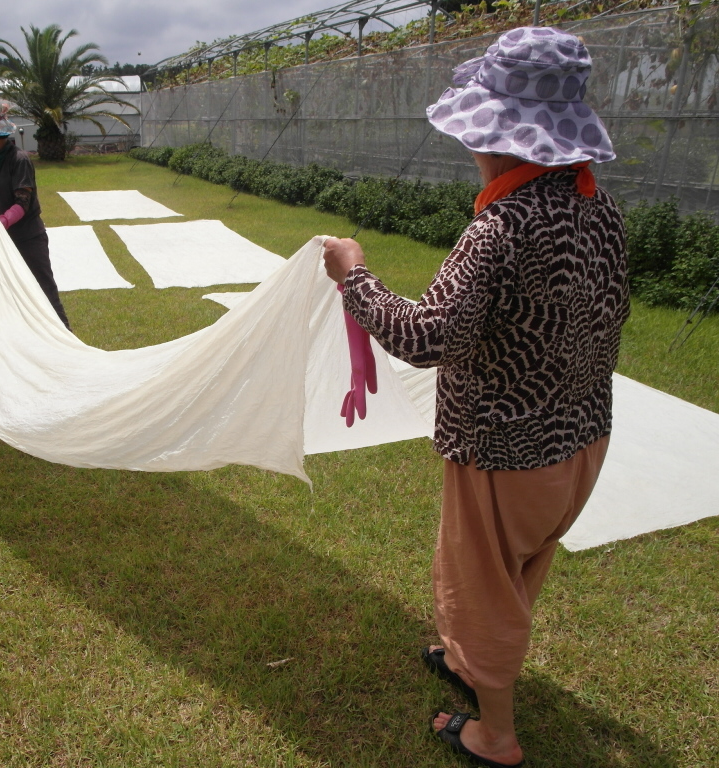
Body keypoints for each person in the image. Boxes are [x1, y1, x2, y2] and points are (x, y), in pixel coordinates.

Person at [322, 27, 629, 768]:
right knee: (521, 570)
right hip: (581, 442)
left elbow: (427, 337)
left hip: (505, 451)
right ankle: (468, 663)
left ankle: (496, 733)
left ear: (496, 137)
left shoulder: (502, 226)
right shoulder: (602, 212)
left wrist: (353, 275)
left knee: (483, 590)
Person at [0, 101, 70, 329]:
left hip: (27, 236)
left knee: (42, 285)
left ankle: (64, 332)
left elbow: (23, 202)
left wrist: (0, 222)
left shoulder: (19, 159)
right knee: (5, 289)